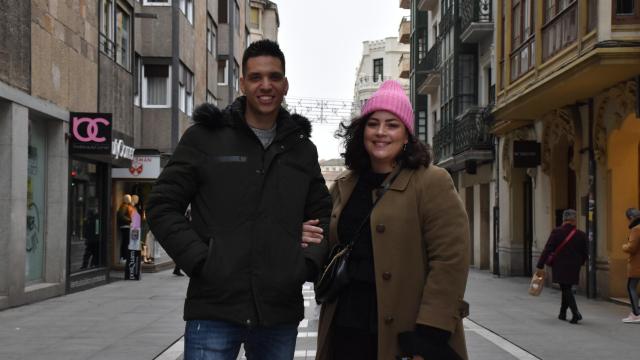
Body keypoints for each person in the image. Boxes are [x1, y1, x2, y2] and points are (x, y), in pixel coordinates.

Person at [146, 39, 331, 360]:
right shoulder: (205, 137)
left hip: (278, 310)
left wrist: (303, 264)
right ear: (242, 83)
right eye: (256, 77)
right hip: (214, 307)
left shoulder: (301, 148)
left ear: (285, 84)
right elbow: (162, 205)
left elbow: (323, 216)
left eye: (274, 77)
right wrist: (201, 260)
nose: (266, 85)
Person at [315, 80, 470, 360]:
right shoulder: (345, 184)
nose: (381, 132)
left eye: (392, 124)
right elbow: (328, 244)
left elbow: (450, 261)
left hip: (406, 330)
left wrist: (429, 334)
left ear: (407, 135)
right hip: (345, 325)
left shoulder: (431, 181)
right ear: (362, 131)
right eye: (373, 124)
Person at [536, 209, 588, 324]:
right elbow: (585, 252)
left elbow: (548, 248)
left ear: (564, 219)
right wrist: (581, 262)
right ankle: (562, 313)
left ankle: (575, 313)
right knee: (566, 287)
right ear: (574, 220)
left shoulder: (557, 232)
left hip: (560, 265)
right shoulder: (581, 234)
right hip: (575, 266)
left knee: (565, 288)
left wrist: (540, 264)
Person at [622, 208, 640, 323]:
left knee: (631, 287)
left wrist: (624, 246)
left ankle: (636, 314)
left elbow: (632, 248)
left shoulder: (636, 229)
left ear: (631, 218)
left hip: (637, 263)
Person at [116, 194, 133, 264]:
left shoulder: (126, 206)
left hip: (126, 226)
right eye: (129, 198)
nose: (130, 199)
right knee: (126, 242)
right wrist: (130, 220)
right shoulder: (124, 206)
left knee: (126, 242)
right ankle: (123, 257)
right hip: (125, 226)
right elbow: (121, 216)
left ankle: (124, 257)